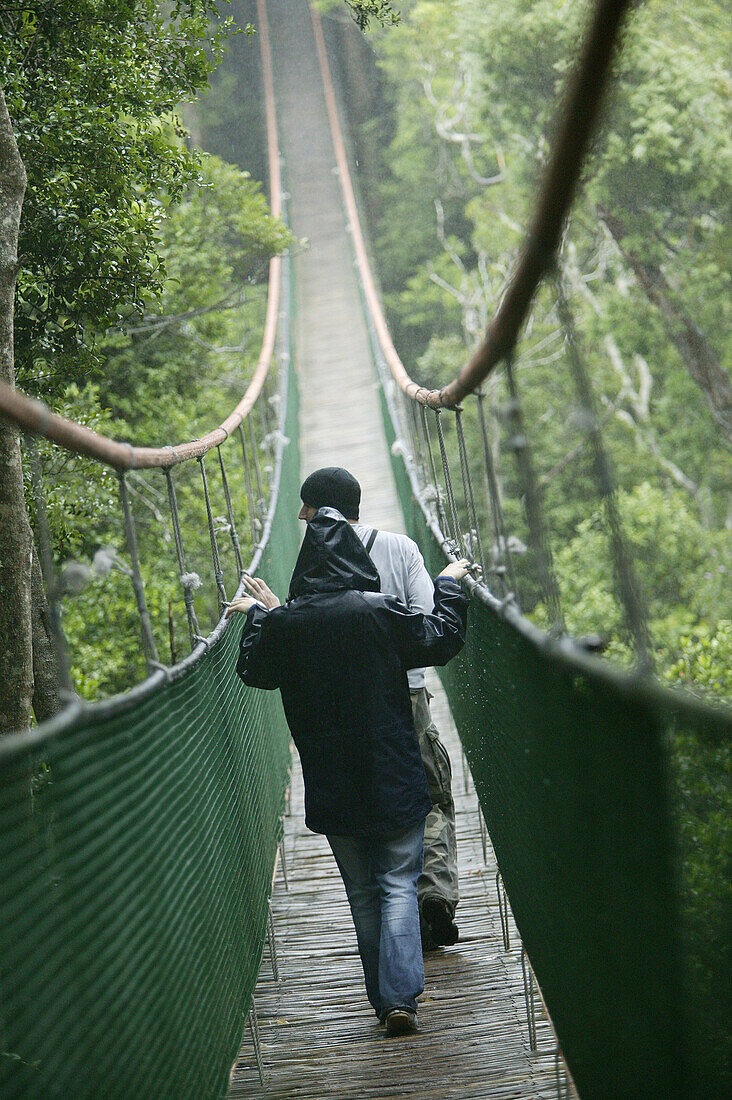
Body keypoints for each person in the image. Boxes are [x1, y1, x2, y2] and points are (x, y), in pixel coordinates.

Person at [226, 506, 469, 1035]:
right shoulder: (378, 610)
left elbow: (253, 671)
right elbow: (441, 639)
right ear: (356, 558)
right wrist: (449, 584)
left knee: (362, 894)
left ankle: (383, 1002)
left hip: (332, 783)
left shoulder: (289, 624)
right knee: (399, 883)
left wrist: (263, 616)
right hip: (393, 774)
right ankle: (402, 997)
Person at [296, 467, 462, 950]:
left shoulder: (309, 563)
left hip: (339, 706)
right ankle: (432, 893)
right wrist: (448, 584)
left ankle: (395, 901)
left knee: (369, 799)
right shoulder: (400, 547)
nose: (302, 516)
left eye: (306, 506)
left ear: (320, 510)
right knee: (430, 795)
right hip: (407, 696)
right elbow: (430, 624)